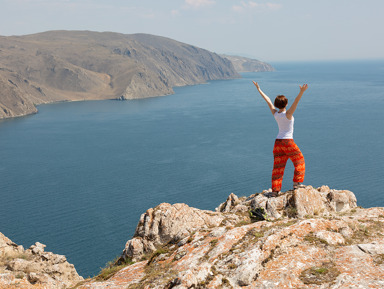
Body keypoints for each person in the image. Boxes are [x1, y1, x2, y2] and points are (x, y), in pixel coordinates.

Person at [253, 81, 308, 197]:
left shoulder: (275, 114)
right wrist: (301, 92)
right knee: (300, 161)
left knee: (278, 167)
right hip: (288, 142)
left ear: (276, 104)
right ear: (286, 103)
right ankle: (297, 183)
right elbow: (296, 102)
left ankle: (275, 191)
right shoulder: (288, 114)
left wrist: (259, 89)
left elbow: (267, 100)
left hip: (277, 143)